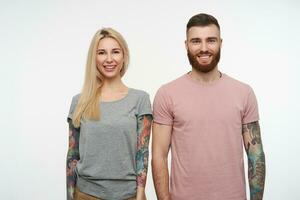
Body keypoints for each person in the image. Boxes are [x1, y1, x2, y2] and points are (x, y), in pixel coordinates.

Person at [152, 13, 266, 200]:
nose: (204, 48)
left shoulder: (243, 92)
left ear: (220, 42)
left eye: (211, 40)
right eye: (196, 41)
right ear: (186, 45)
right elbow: (159, 156)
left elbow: (256, 155)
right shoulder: (167, 94)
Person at [66, 28, 152, 200]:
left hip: (128, 195)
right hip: (86, 194)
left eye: (115, 52)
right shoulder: (79, 101)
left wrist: (140, 194)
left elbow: (142, 152)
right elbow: (72, 155)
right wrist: (69, 196)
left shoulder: (140, 99)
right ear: (94, 58)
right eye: (102, 53)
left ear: (124, 56)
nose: (109, 59)